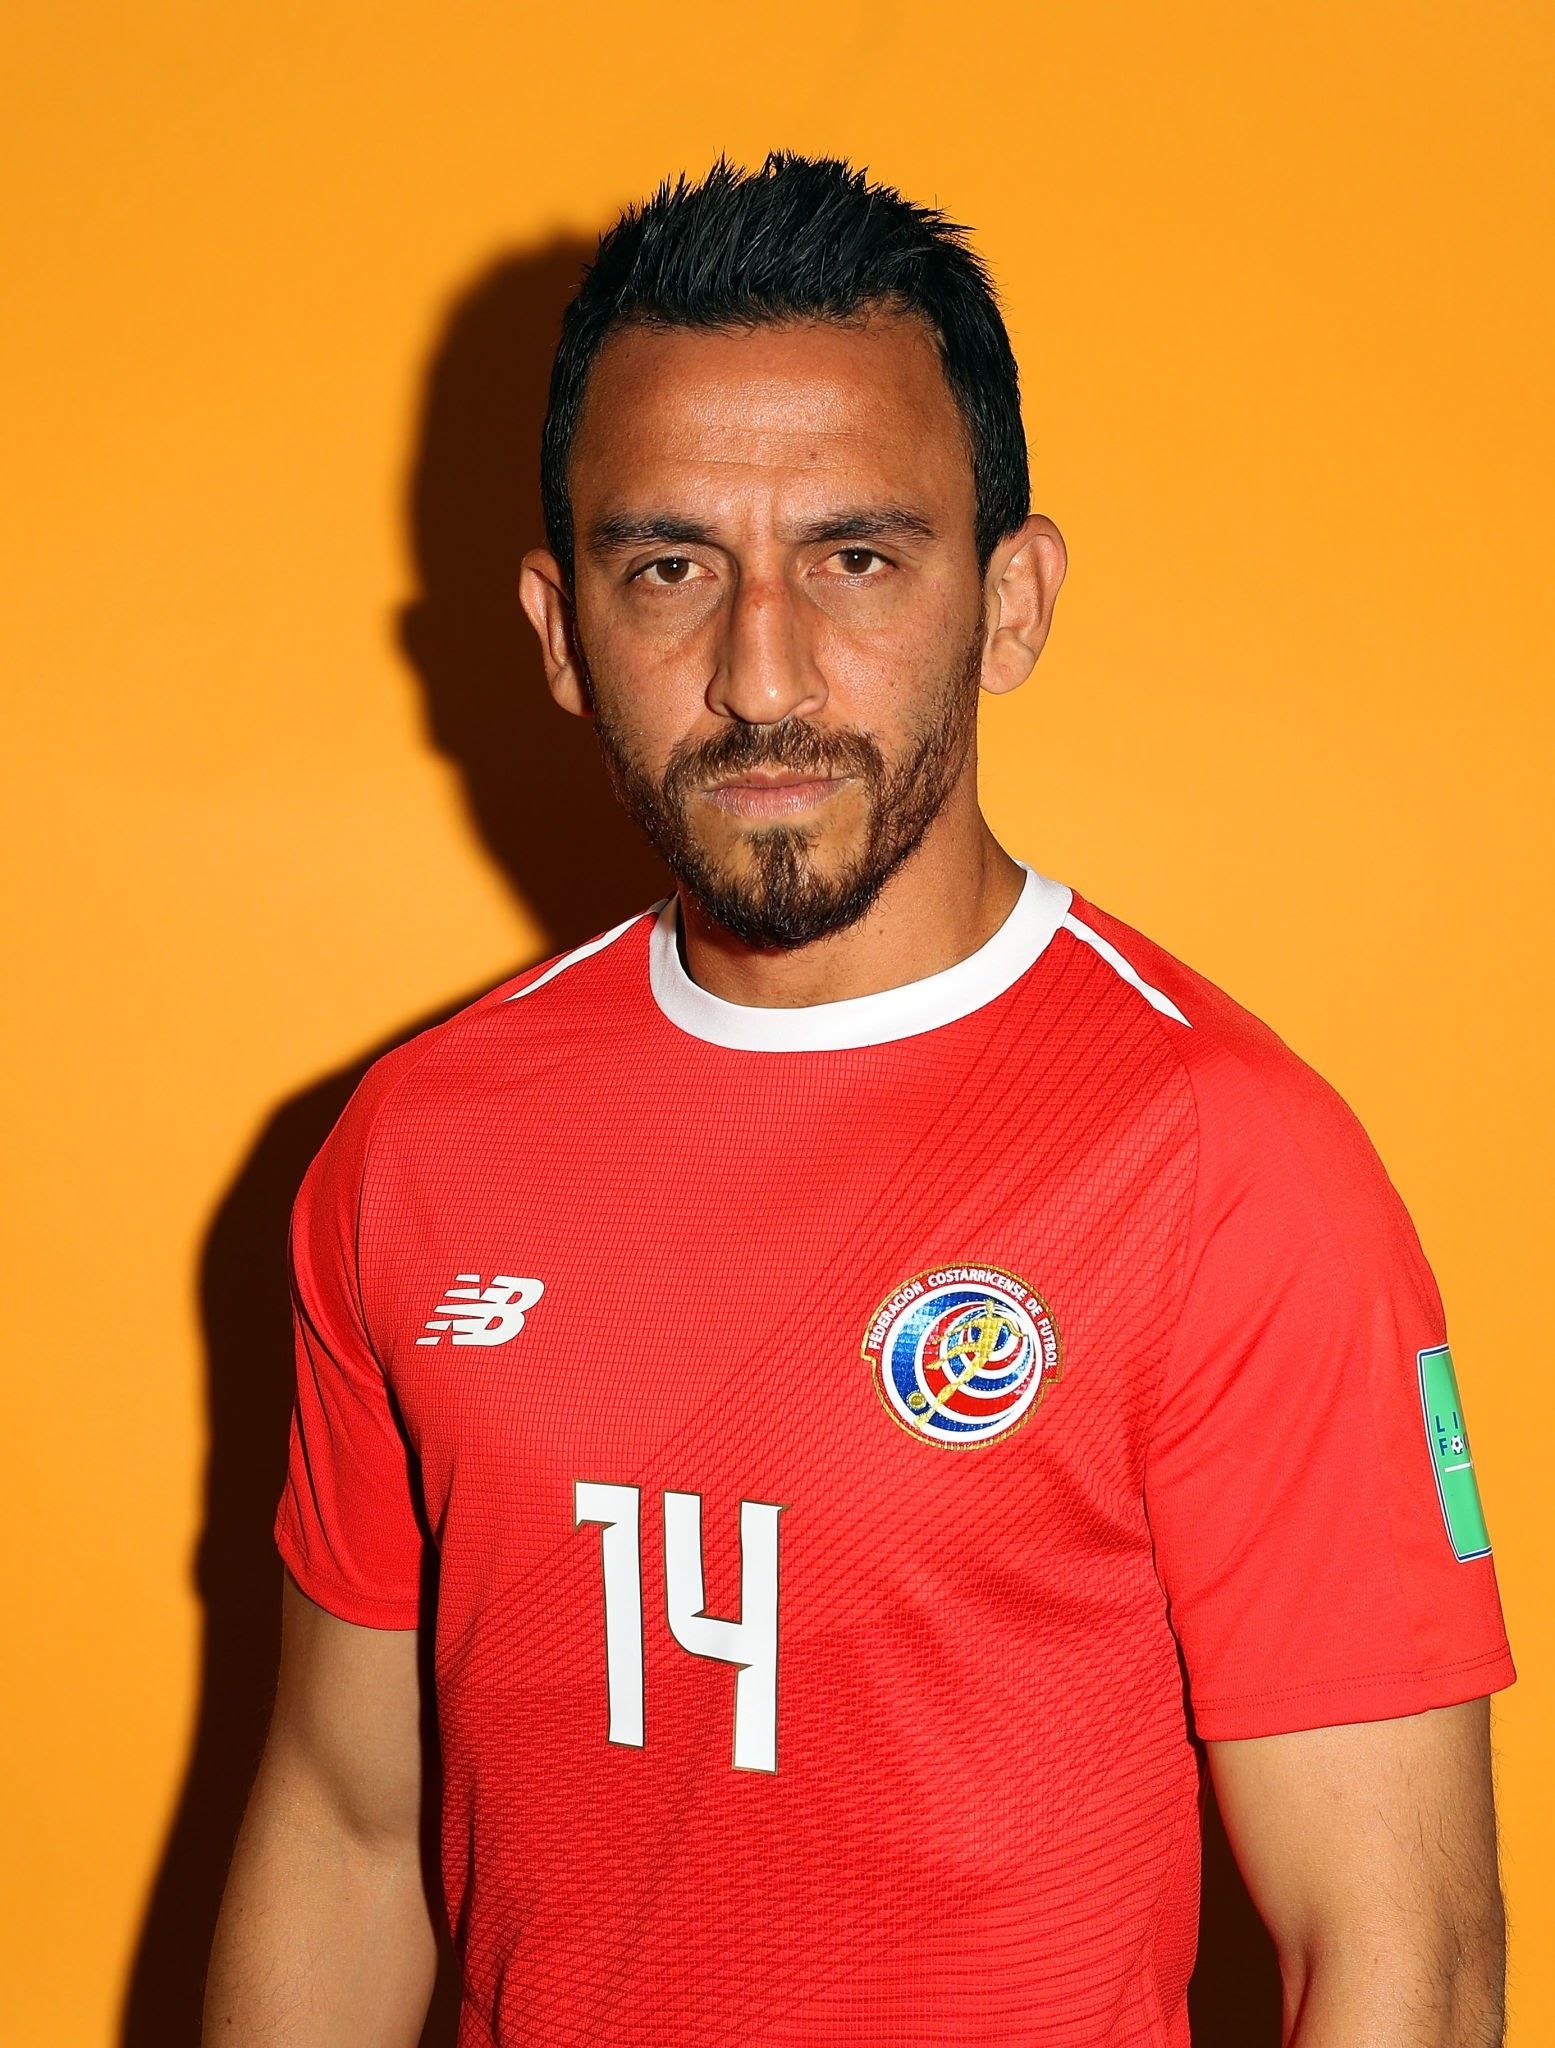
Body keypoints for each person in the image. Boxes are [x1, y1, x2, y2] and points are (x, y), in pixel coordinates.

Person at [204, 151, 1515, 2047]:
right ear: (562, 631)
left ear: (1011, 602)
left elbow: (1402, 1960)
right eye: (670, 567)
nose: (763, 675)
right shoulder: (413, 1148)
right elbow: (345, 1830)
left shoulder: (1226, 1163)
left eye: (856, 558)